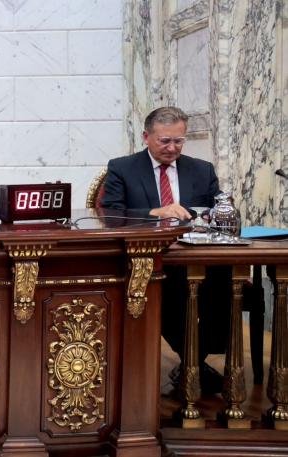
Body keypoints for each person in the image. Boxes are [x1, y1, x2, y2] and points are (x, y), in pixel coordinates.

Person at [101, 106, 229, 395]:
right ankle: (194, 365)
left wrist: (215, 215)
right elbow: (110, 214)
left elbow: (217, 208)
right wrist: (155, 212)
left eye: (179, 141)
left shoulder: (201, 169)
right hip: (148, 258)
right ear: (147, 137)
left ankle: (194, 362)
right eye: (164, 141)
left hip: (195, 253)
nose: (172, 148)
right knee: (168, 290)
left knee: (226, 281)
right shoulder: (122, 167)